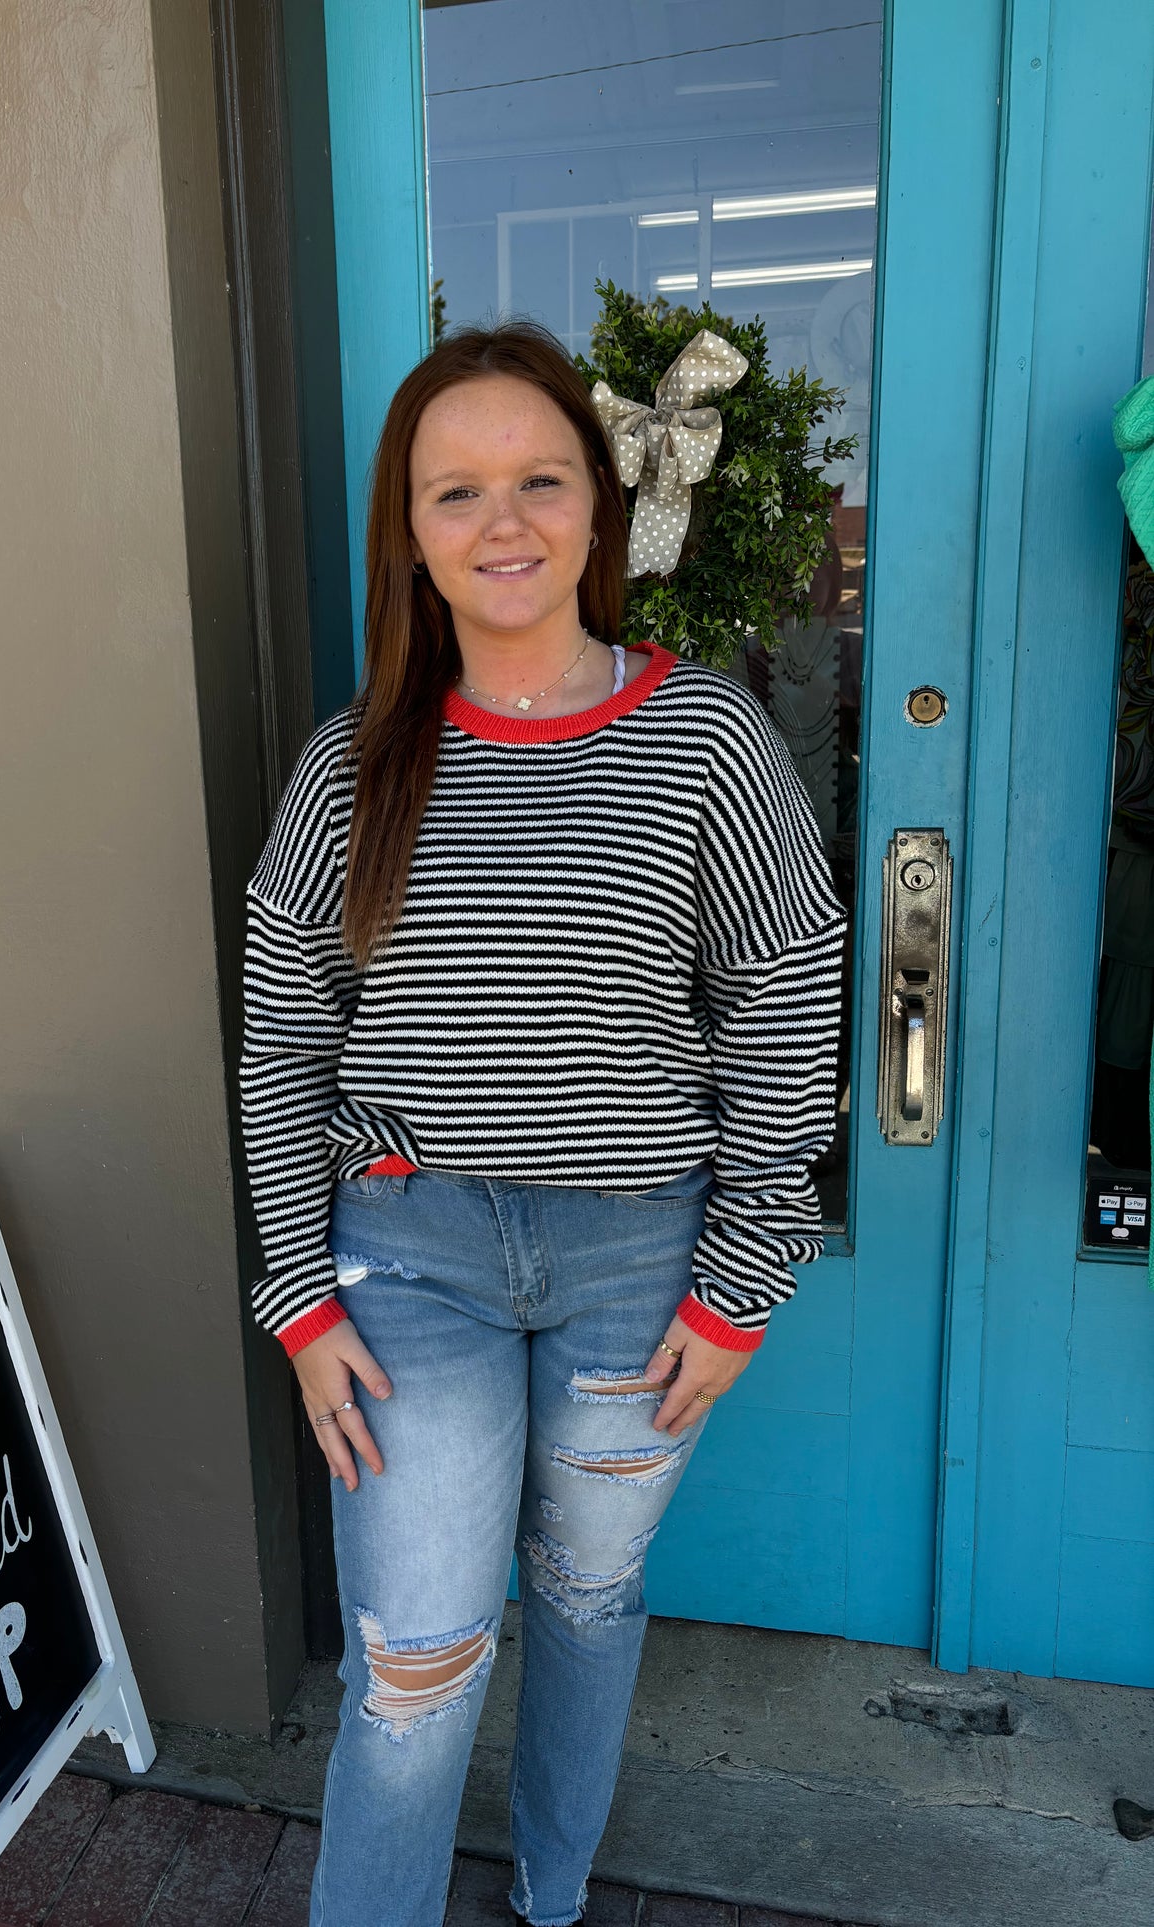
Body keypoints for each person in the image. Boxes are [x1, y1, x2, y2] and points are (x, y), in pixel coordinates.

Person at [239, 321, 847, 1927]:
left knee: (585, 1595)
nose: (501, 524)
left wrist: (745, 1278)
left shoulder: (704, 739)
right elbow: (282, 1038)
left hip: (640, 1264)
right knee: (417, 1659)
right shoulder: (350, 766)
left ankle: (556, 1894)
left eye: (538, 480)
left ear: (597, 506)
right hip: (406, 1259)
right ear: (410, 533)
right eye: (456, 492)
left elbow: (784, 1002)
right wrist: (296, 1299)